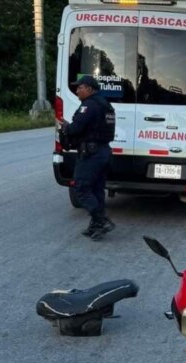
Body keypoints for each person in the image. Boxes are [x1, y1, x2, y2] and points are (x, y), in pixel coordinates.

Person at [61, 75, 116, 241]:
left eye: (80, 87)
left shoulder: (89, 105)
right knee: (96, 189)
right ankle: (96, 225)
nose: (77, 90)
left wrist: (66, 127)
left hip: (91, 154)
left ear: (89, 89)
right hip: (103, 152)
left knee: (81, 188)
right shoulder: (105, 104)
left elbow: (76, 128)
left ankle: (102, 220)